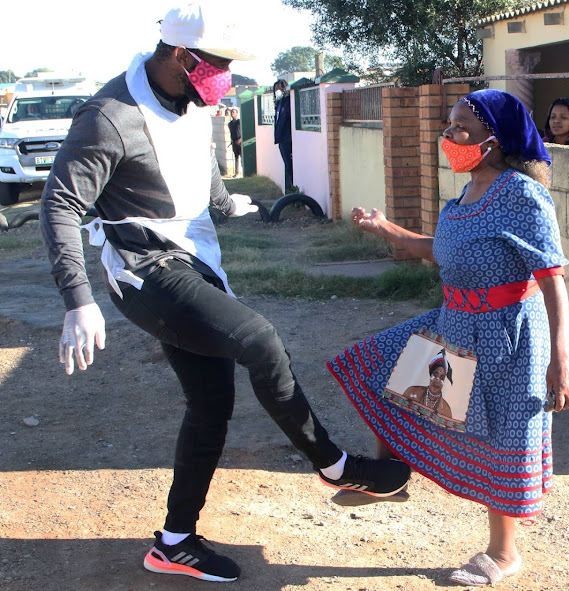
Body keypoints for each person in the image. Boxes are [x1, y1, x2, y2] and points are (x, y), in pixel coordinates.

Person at [39, 2, 409, 584]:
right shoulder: (109, 115)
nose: (227, 79)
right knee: (259, 340)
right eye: (218, 65)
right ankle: (333, 465)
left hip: (192, 262)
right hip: (144, 270)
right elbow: (60, 203)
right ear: (182, 56)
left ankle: (174, 541)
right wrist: (77, 299)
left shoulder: (192, 101)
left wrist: (230, 205)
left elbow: (208, 191)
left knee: (211, 403)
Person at [327, 89, 569, 586]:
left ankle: (504, 553)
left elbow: (553, 277)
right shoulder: (463, 195)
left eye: (462, 126)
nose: (450, 134)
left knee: (504, 440)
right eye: (449, 123)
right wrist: (385, 228)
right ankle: (389, 479)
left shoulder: (521, 194)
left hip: (510, 340)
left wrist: (561, 359)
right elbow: (443, 251)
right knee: (393, 382)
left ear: (495, 139)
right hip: (457, 324)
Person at [403, 351, 453, 418]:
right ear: (430, 375)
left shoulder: (446, 410)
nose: (437, 380)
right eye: (435, 374)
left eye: (442, 377)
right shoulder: (411, 392)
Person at [273, 79, 293, 193]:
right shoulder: (279, 104)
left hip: (287, 139)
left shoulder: (288, 101)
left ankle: (292, 188)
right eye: (276, 89)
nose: (277, 91)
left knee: (290, 166)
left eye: (279, 88)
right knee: (286, 164)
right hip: (281, 140)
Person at [228, 106, 241, 177]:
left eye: (233, 112)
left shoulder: (239, 122)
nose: (232, 114)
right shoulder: (230, 123)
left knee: (242, 157)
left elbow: (242, 131)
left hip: (240, 142)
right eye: (231, 112)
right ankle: (237, 173)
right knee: (236, 158)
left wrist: (240, 139)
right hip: (234, 142)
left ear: (237, 113)